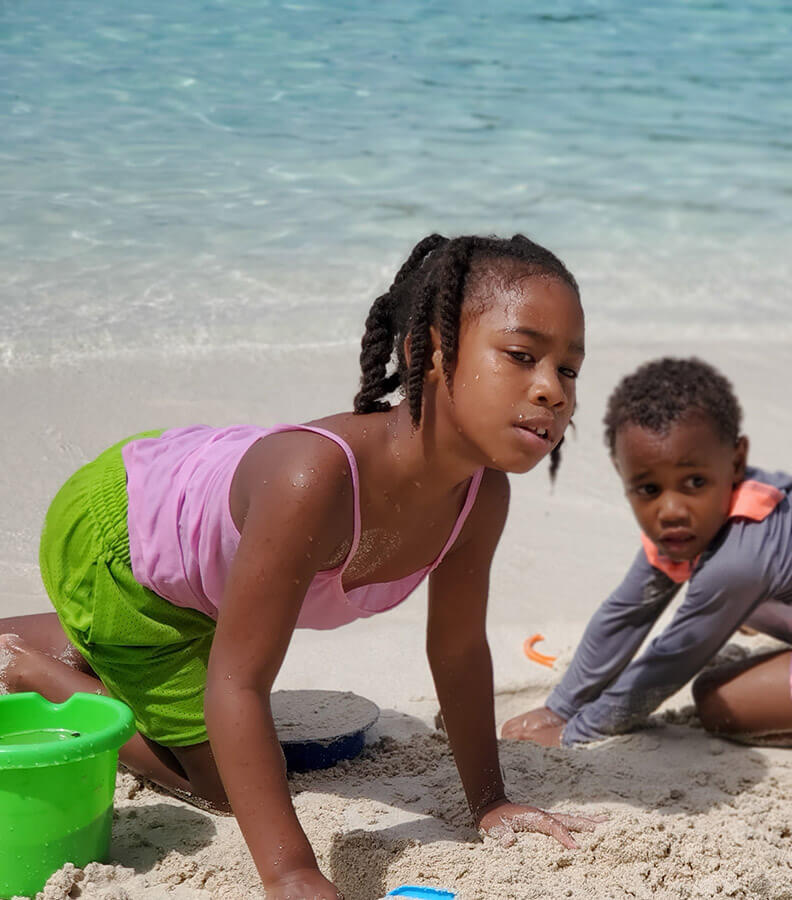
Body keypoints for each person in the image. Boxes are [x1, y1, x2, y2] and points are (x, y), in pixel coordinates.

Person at [0, 233, 600, 900]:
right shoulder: (314, 482)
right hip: (119, 548)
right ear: (429, 351)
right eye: (521, 356)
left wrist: (489, 801)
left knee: (224, 689)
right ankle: (35, 667)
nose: (550, 390)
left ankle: (82, 637)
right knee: (225, 788)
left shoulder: (481, 496)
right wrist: (290, 872)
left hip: (199, 542)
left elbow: (458, 651)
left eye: (568, 370)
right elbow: (238, 683)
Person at [502, 357, 792, 749]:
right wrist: (559, 705)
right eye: (648, 489)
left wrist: (576, 733)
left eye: (694, 483)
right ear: (622, 475)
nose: (671, 510)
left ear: (735, 460)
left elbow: (672, 660)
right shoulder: (689, 524)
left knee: (717, 699)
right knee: (732, 626)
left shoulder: (738, 561)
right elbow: (627, 613)